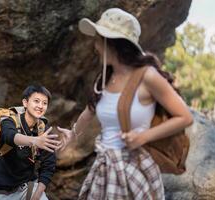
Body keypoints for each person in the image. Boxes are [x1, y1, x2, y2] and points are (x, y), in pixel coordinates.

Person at [57, 8, 193, 200]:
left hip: (133, 170)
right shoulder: (106, 77)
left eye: (97, 39)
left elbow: (184, 117)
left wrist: (143, 137)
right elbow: (89, 112)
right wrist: (72, 135)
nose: (94, 45)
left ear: (110, 42)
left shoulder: (147, 76)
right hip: (104, 167)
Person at [0, 85, 61, 200]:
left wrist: (37, 196)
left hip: (28, 188)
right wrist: (35, 141)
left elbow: (48, 165)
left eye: (44, 103)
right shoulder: (9, 121)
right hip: (0, 191)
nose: (40, 106)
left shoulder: (43, 129)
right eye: (36, 101)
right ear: (25, 103)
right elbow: (10, 137)